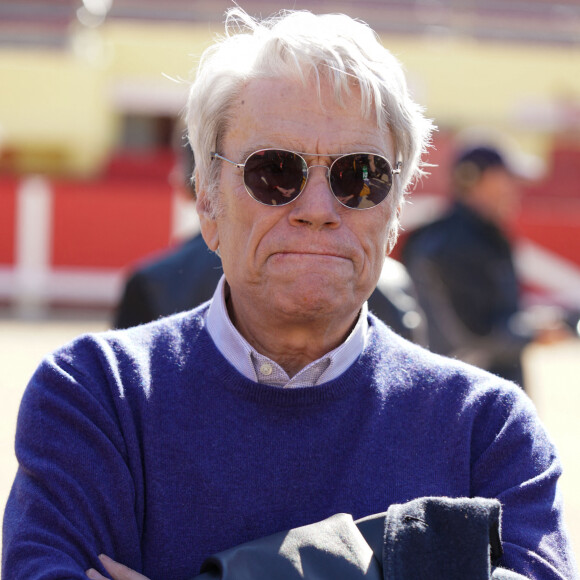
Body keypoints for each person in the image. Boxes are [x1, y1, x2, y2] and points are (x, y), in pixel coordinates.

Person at [2, 8, 577, 580]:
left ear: (395, 211)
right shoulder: (95, 397)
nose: (318, 210)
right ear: (206, 200)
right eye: (276, 171)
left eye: (361, 175)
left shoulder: (490, 430)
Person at [113, 140, 427, 345]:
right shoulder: (392, 278)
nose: (318, 209)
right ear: (205, 193)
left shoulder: (154, 279)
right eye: (279, 171)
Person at [401, 144, 566, 389]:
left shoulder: (479, 236)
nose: (515, 189)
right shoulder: (452, 244)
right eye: (507, 179)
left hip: (474, 393)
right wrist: (534, 330)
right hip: (463, 399)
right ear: (476, 180)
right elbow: (474, 334)